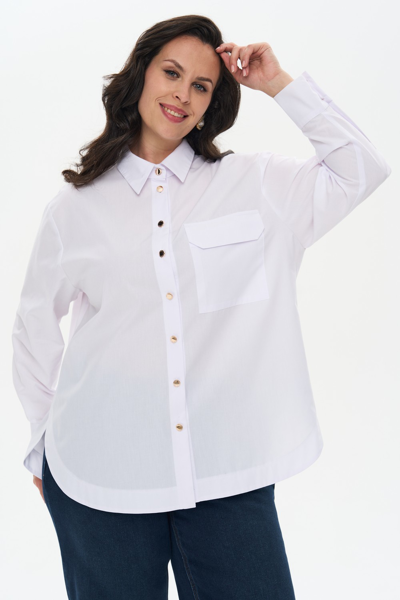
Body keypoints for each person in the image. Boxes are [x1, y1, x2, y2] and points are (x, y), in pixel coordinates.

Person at [11, 14, 391, 600]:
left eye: (201, 85)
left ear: (213, 101)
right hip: (101, 474)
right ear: (141, 74)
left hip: (225, 475)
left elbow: (361, 168)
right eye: (171, 73)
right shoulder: (75, 208)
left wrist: (279, 83)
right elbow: (33, 327)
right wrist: (43, 447)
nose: (182, 95)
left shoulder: (256, 185)